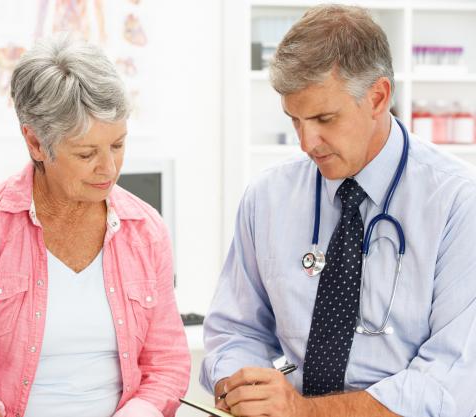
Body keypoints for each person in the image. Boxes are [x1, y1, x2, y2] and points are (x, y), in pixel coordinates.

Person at [200, 5, 476, 417]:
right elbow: (236, 329)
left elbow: (450, 384)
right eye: (295, 120)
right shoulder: (268, 196)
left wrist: (303, 411)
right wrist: (241, 382)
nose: (307, 142)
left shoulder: (458, 202)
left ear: (378, 97)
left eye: (324, 118)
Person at [0, 35, 190, 417]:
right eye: (86, 153)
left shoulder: (147, 230)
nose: (109, 169)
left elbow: (167, 364)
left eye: (117, 145)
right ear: (35, 142)